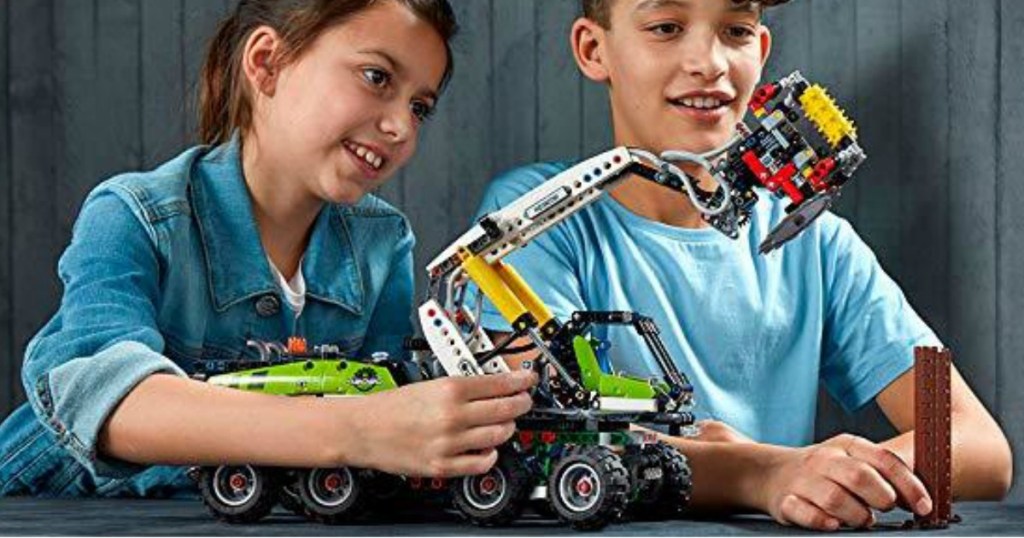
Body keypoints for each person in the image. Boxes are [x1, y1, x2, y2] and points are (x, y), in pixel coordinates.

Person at [470, 0, 1012, 530]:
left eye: (736, 30)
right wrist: (763, 472)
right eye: (665, 26)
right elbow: (541, 436)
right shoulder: (529, 217)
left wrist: (835, 475)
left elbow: (980, 446)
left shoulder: (814, 241)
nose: (709, 63)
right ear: (594, 49)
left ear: (763, 50)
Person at [0, 0, 536, 498]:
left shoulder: (383, 241)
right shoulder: (134, 216)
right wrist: (355, 429)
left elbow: (388, 403)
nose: (400, 127)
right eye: (377, 78)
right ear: (267, 63)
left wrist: (477, 386)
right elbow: (106, 402)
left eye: (420, 107)